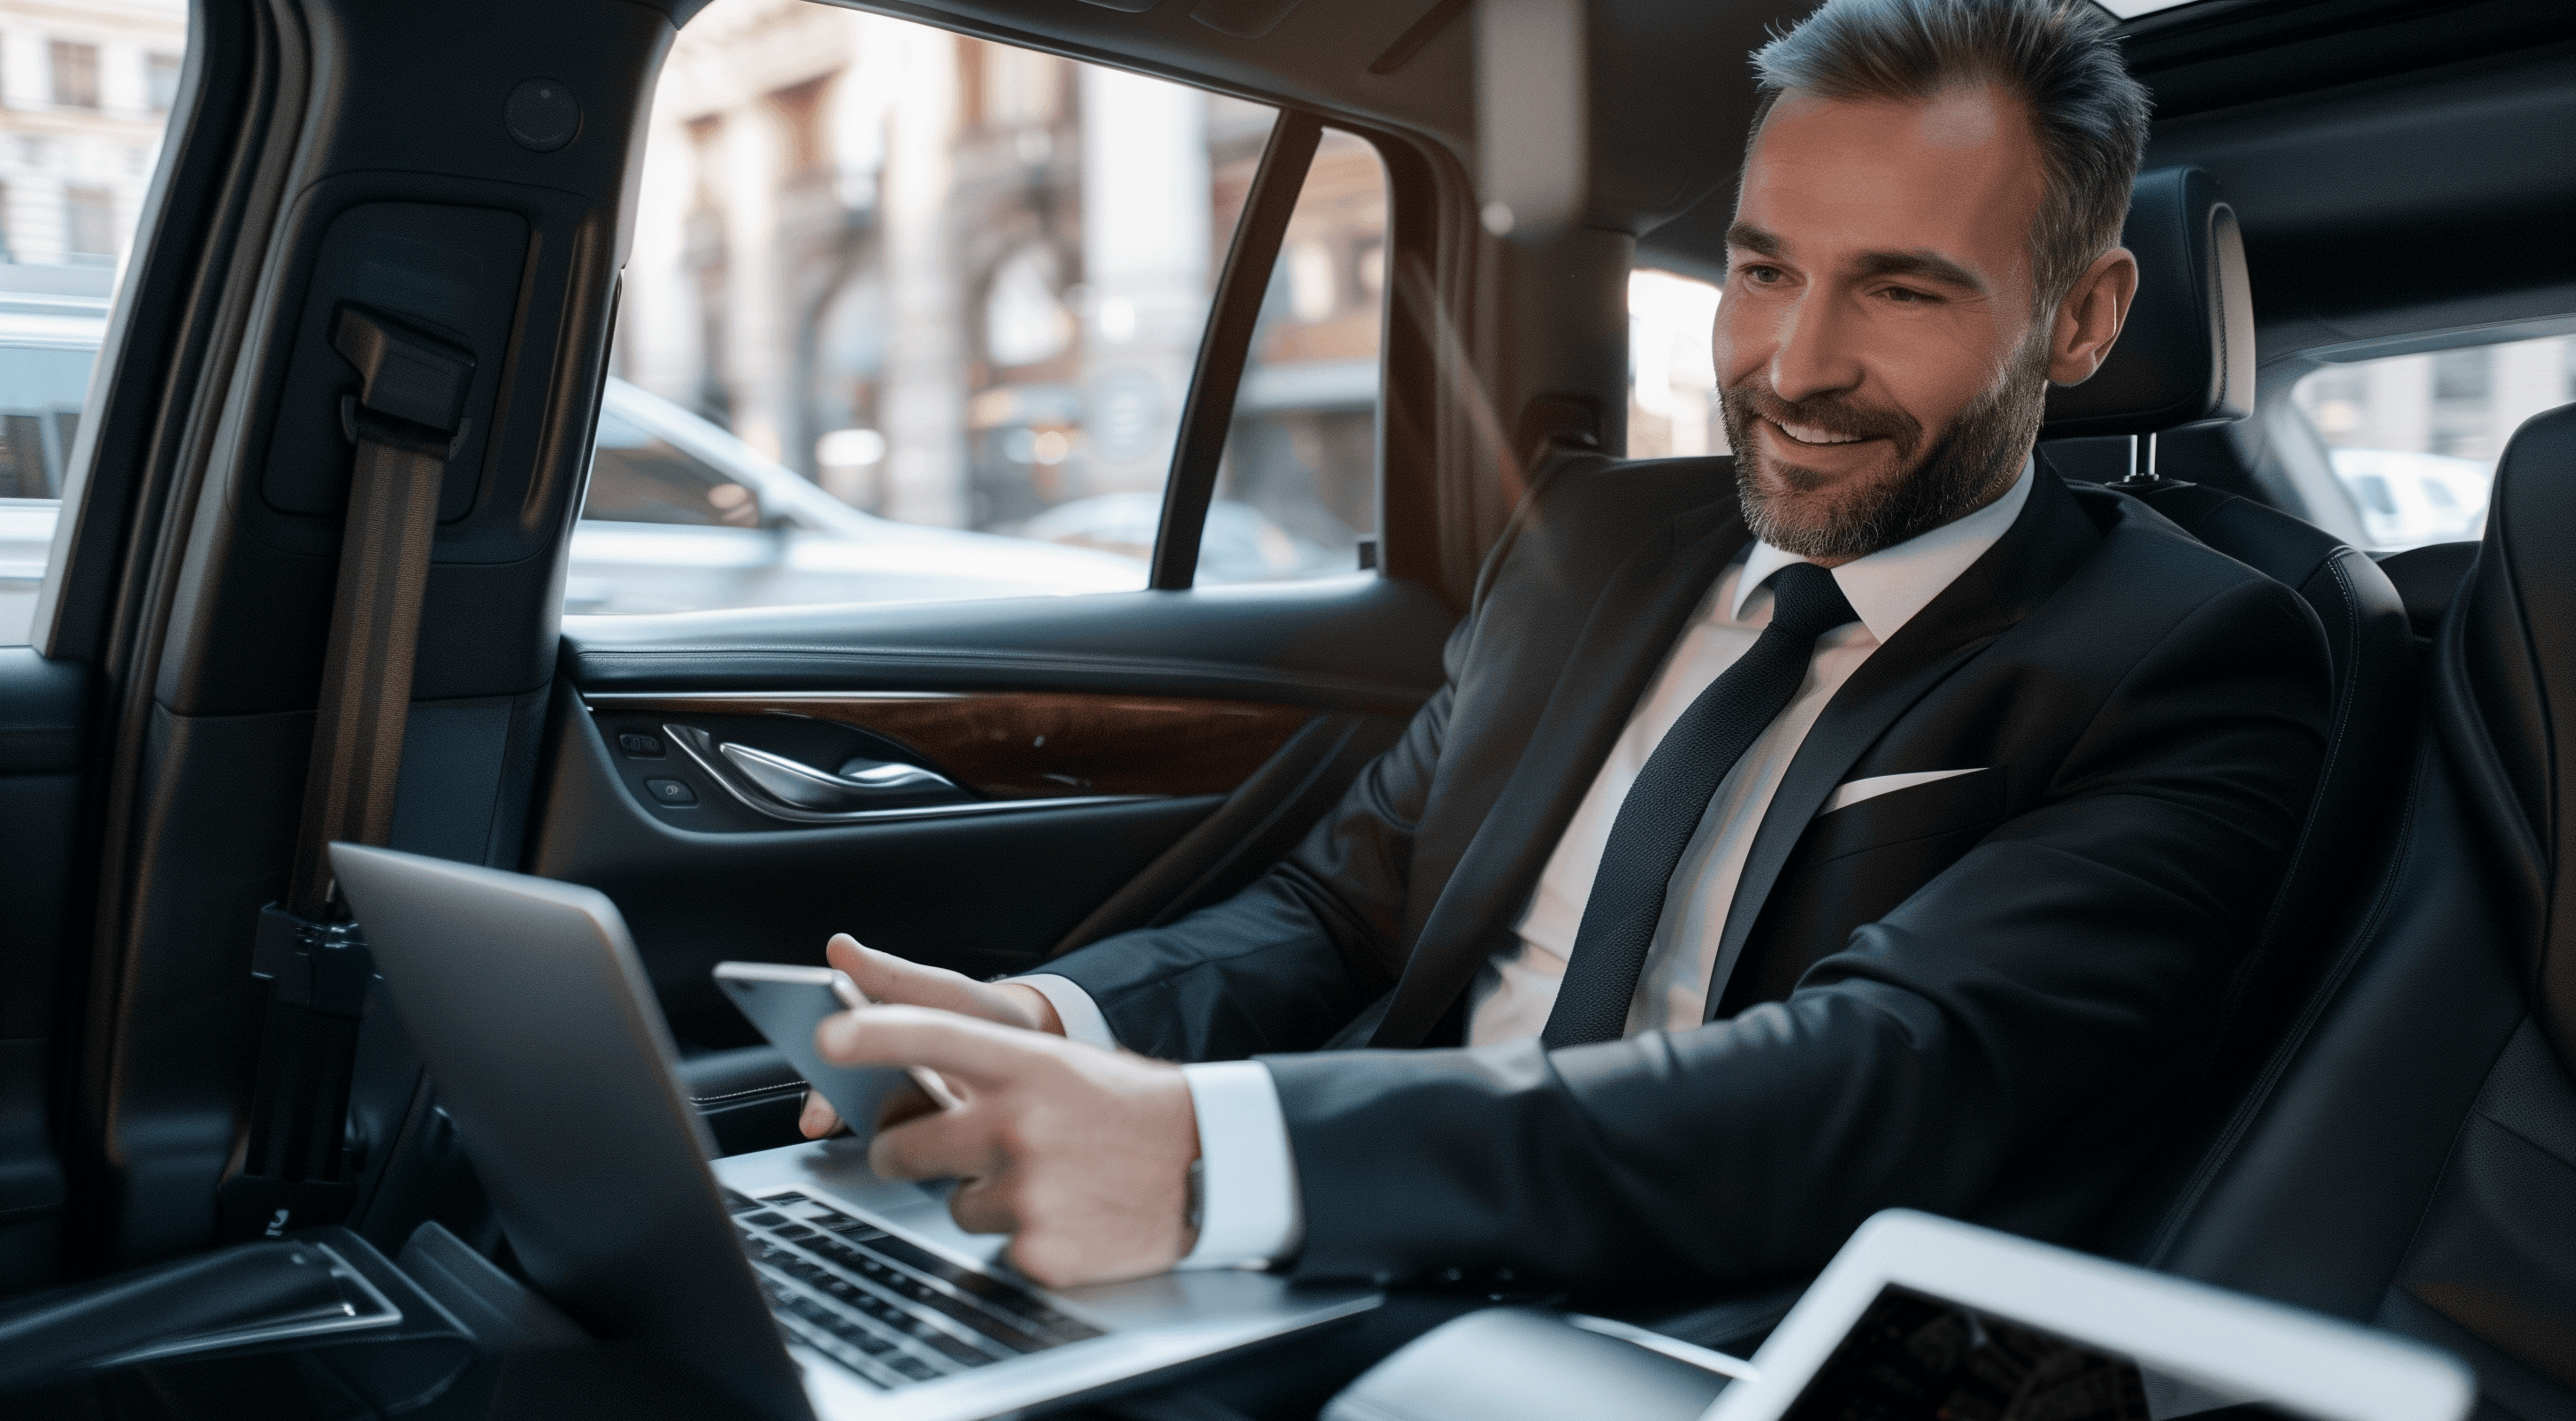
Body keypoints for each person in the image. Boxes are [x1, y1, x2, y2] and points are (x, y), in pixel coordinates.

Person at [801, 0, 2332, 1295]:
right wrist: (1048, 1023)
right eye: (1763, 269)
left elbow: (1883, 1078)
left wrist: (1217, 1157)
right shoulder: (1590, 545)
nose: (1795, 368)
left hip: (1709, 1326)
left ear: (2080, 321)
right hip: (1339, 1246)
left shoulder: (2197, 654)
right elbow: (1346, 911)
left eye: (1902, 288)